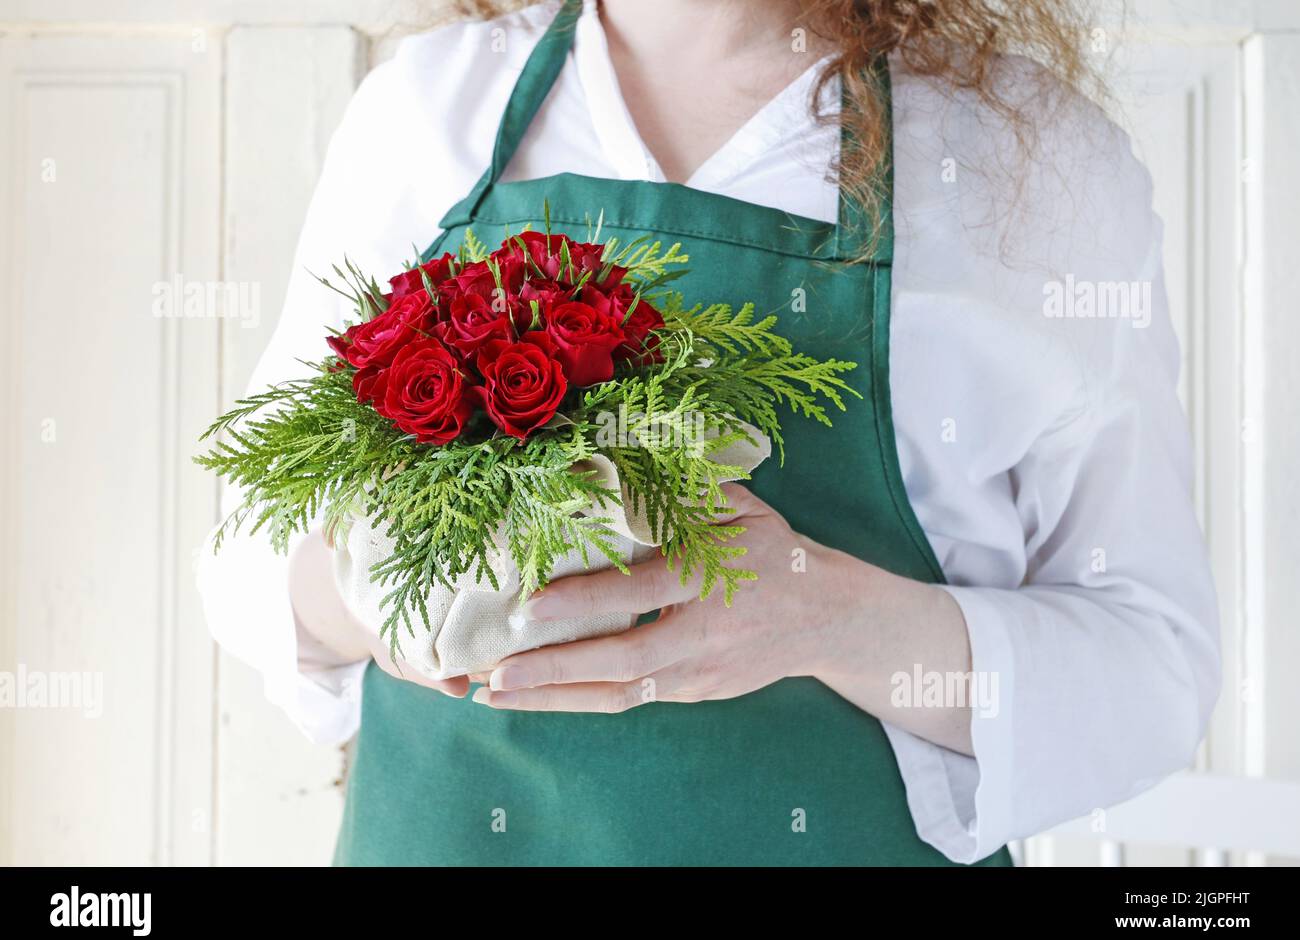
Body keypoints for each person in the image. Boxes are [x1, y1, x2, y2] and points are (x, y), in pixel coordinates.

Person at [198, 0, 1220, 865]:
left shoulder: (1027, 161)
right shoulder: (430, 109)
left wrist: (825, 617)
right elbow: (252, 554)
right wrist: (385, 590)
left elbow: (1152, 668)